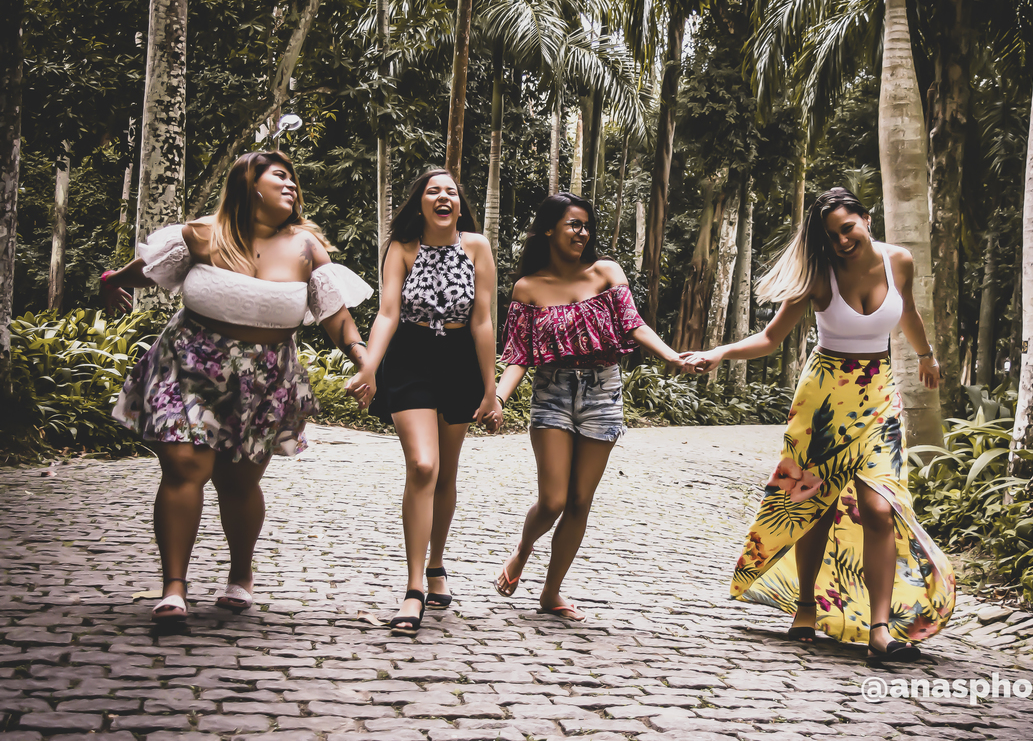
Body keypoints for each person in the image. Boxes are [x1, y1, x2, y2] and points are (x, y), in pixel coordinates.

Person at [682, 187, 955, 662]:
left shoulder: (900, 262)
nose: (842, 241)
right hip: (824, 398)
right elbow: (770, 339)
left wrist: (926, 356)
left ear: (866, 219)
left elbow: (907, 313)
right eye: (832, 236)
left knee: (880, 508)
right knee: (814, 503)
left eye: (847, 228)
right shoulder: (819, 277)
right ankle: (805, 605)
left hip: (879, 395)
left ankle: (881, 630)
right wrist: (720, 353)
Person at [103, 150, 373, 623]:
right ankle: (174, 587)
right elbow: (148, 267)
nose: (291, 185)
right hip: (188, 366)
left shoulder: (307, 246)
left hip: (262, 380)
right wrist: (113, 280)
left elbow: (335, 314)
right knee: (185, 465)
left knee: (238, 481)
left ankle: (240, 574)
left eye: (293, 179)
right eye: (280, 176)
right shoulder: (203, 234)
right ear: (250, 183)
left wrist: (362, 358)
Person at [492, 192, 683, 622]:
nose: (582, 232)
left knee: (580, 500)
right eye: (573, 224)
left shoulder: (606, 272)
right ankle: (523, 549)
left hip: (602, 390)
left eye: (585, 225)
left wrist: (670, 355)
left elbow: (632, 325)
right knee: (554, 500)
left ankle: (551, 592)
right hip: (553, 392)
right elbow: (518, 354)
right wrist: (499, 399)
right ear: (548, 229)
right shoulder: (528, 287)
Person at [347, 169, 499, 636]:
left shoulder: (477, 247)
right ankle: (413, 588)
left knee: (447, 472)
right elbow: (388, 312)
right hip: (410, 357)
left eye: (451, 191)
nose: (443, 196)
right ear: (420, 203)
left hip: (459, 363)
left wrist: (491, 389)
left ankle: (437, 563)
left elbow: (483, 320)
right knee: (424, 466)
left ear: (458, 203)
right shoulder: (402, 248)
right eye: (433, 190)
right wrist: (369, 365)